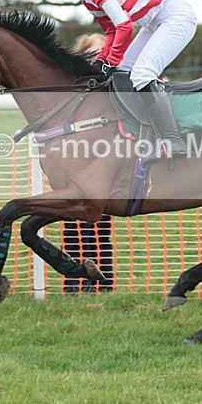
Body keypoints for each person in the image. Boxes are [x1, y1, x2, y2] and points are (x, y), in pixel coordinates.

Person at [34, 0, 202, 162]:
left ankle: (173, 141)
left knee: (142, 73)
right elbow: (112, 30)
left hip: (176, 18)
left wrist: (109, 62)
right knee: (122, 72)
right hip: (155, 21)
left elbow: (124, 26)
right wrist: (103, 62)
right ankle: (144, 133)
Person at [62, 33, 115, 293]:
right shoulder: (71, 92)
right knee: (72, 230)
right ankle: (73, 283)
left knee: (100, 232)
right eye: (92, 54)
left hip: (101, 174)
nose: (97, 59)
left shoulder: (113, 90)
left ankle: (104, 284)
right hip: (72, 172)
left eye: (102, 54)